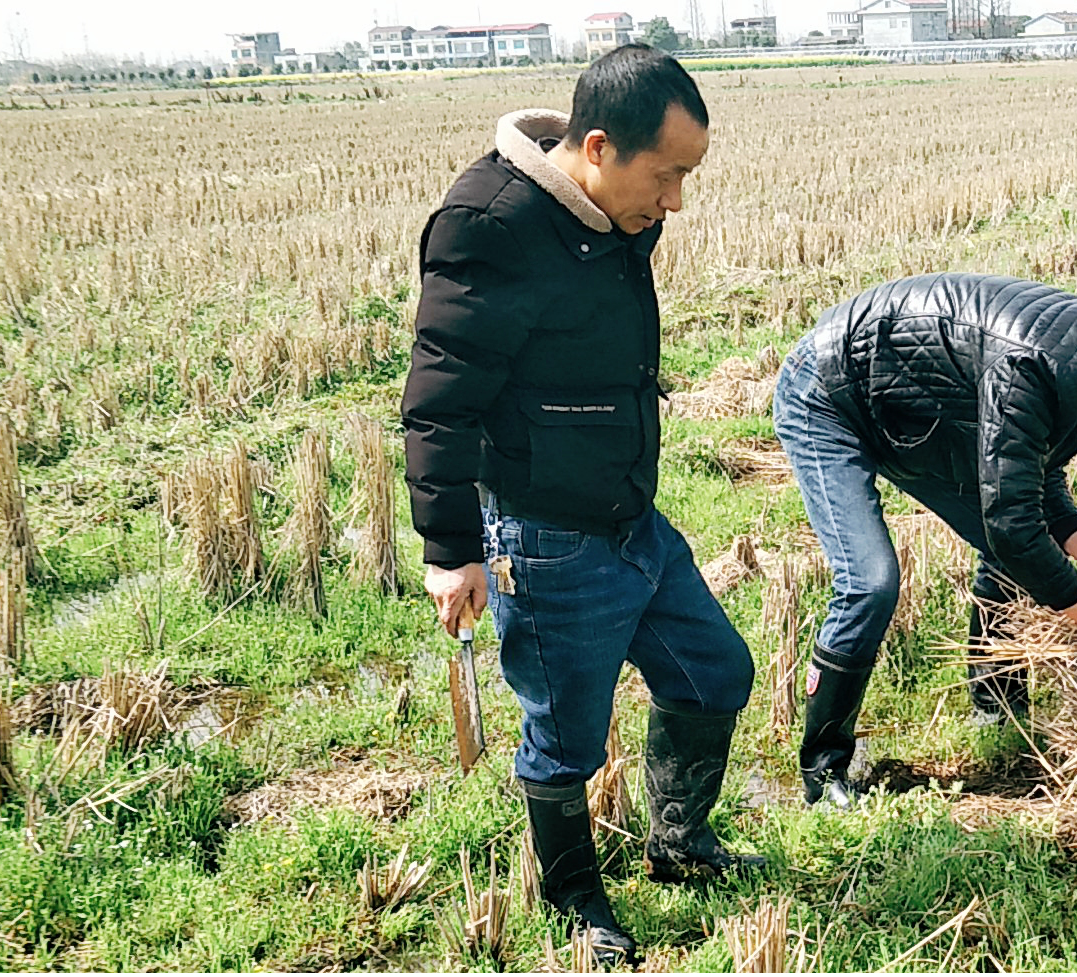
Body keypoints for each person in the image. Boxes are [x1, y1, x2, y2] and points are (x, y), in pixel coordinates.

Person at [401, 45, 756, 964]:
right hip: (546, 530)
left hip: (631, 512)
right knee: (564, 741)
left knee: (715, 672)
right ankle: (574, 901)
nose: (676, 201)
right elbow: (441, 400)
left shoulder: (613, 212)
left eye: (687, 176)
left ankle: (678, 840)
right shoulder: (491, 225)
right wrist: (451, 547)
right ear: (597, 148)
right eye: (666, 175)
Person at [772, 273, 1077, 808]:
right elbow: (1013, 523)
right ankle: (823, 773)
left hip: (912, 411)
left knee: (1014, 556)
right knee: (871, 582)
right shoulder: (1030, 367)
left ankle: (997, 709)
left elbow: (1030, 470)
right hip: (829, 394)